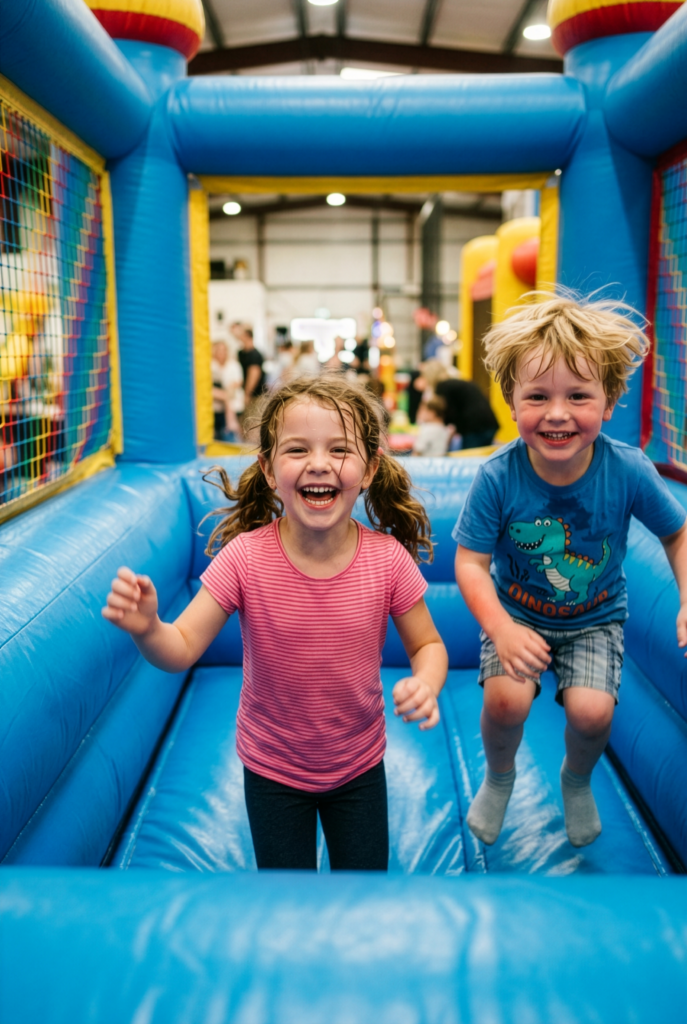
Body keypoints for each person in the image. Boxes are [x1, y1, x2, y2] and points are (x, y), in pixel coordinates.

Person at [102, 375, 448, 872]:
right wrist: (148, 627)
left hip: (359, 764)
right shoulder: (245, 558)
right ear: (267, 469)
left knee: (365, 890)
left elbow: (428, 645)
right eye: (297, 449)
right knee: (286, 898)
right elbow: (178, 649)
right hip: (273, 769)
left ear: (369, 468)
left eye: (340, 450)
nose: (319, 463)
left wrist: (427, 682)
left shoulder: (386, 559)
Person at [454, 295, 687, 849]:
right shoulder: (498, 476)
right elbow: (469, 562)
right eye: (538, 396)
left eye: (578, 396)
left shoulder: (627, 469)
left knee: (590, 712)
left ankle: (576, 779)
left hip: (595, 616)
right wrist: (503, 630)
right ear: (512, 401)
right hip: (517, 613)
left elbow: (677, 533)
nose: (557, 413)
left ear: (609, 402)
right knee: (506, 701)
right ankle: (499, 775)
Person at [418, 360, 499, 450]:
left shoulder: (442, 387)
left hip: (475, 427)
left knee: (469, 457)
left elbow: (448, 413)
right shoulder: (453, 383)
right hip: (488, 423)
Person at [211, 341, 243, 440]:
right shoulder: (211, 366)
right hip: (216, 405)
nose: (221, 353)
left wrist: (229, 389)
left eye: (224, 350)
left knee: (230, 436)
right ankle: (231, 422)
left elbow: (238, 381)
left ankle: (231, 423)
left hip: (232, 399)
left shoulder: (233, 365)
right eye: (219, 350)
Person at [233, 325, 265, 405]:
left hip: (254, 395)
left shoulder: (254, 355)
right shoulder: (241, 353)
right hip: (243, 392)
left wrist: (247, 394)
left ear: (246, 336)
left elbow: (253, 375)